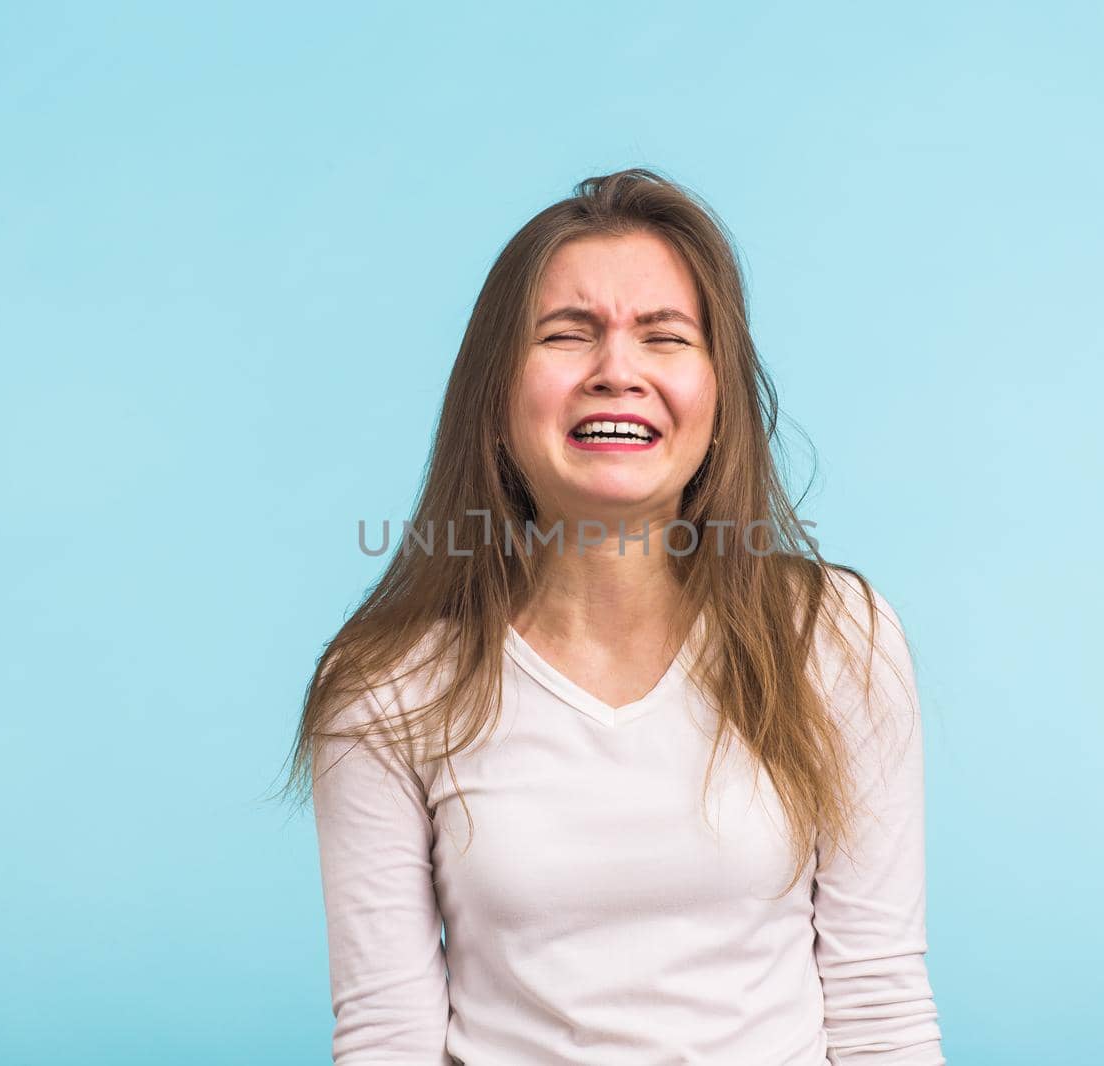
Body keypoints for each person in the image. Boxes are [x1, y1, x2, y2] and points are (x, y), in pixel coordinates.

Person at [281, 168, 945, 1064]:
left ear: (719, 397)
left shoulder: (834, 638)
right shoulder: (383, 684)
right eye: (567, 334)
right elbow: (386, 1040)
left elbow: (880, 1007)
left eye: (665, 337)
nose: (617, 371)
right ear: (498, 395)